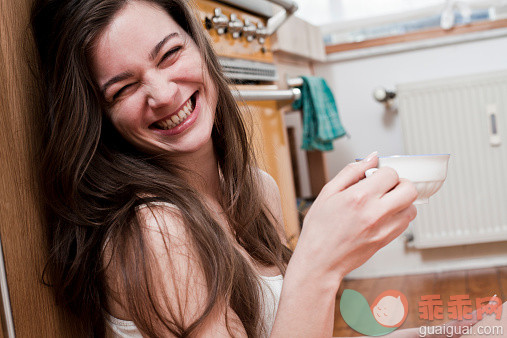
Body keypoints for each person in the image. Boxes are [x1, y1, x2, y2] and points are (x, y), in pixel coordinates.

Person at [30, 0, 419, 337]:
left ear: (199, 45)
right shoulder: (153, 232)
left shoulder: (256, 189)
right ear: (99, 116)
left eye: (169, 54)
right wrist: (318, 266)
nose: (164, 95)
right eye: (124, 89)